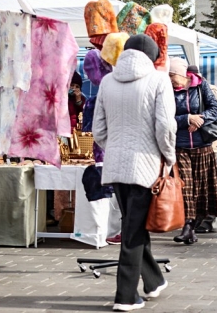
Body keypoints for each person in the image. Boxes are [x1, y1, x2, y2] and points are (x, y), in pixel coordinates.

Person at [93, 34, 176, 311]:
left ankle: (153, 281)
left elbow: (99, 130)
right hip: (147, 164)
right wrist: (168, 156)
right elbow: (165, 127)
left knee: (133, 223)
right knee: (133, 231)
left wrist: (114, 147)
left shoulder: (107, 81)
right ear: (153, 57)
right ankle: (125, 296)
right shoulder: (158, 80)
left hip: (115, 164)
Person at [169, 57, 217, 245]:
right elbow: (165, 116)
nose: (170, 80)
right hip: (180, 146)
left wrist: (200, 119)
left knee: (201, 189)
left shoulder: (201, 86)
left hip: (203, 145)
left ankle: (194, 226)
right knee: (185, 187)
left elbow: (214, 108)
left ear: (182, 74)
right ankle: (187, 225)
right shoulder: (167, 92)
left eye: (172, 75)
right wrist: (187, 118)